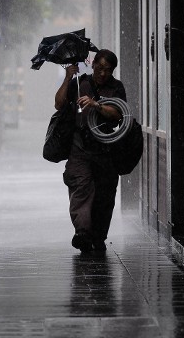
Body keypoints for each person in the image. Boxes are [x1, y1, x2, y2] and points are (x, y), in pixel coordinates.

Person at [54, 49, 126, 253]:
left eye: (108, 70)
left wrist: (96, 105)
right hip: (80, 147)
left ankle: (99, 236)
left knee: (105, 194)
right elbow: (59, 104)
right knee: (81, 187)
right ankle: (83, 233)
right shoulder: (79, 84)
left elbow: (119, 114)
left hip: (106, 148)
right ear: (93, 64)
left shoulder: (116, 88)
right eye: (100, 68)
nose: (103, 73)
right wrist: (68, 77)